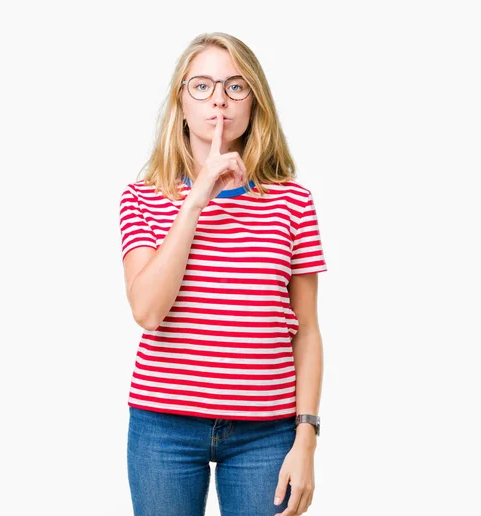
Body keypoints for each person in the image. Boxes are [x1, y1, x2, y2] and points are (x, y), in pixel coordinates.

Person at [119, 32, 328, 516]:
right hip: (163, 429)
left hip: (266, 433)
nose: (218, 98)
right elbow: (148, 311)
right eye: (203, 86)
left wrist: (307, 440)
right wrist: (197, 198)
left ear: (255, 102)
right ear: (181, 102)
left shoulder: (292, 203)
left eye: (236, 86)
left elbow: (308, 331)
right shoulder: (144, 198)